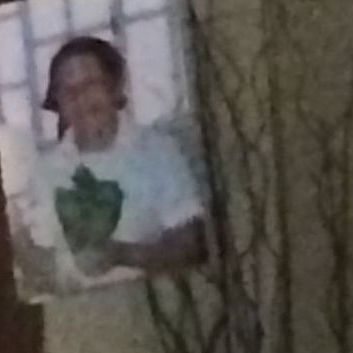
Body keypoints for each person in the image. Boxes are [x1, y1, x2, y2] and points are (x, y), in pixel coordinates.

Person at [15, 37, 208, 296]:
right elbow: (39, 260)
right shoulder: (45, 169)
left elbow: (191, 245)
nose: (81, 99)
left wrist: (122, 254)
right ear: (58, 103)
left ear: (115, 87)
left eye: (91, 85)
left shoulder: (157, 151)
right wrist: (23, 249)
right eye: (68, 92)